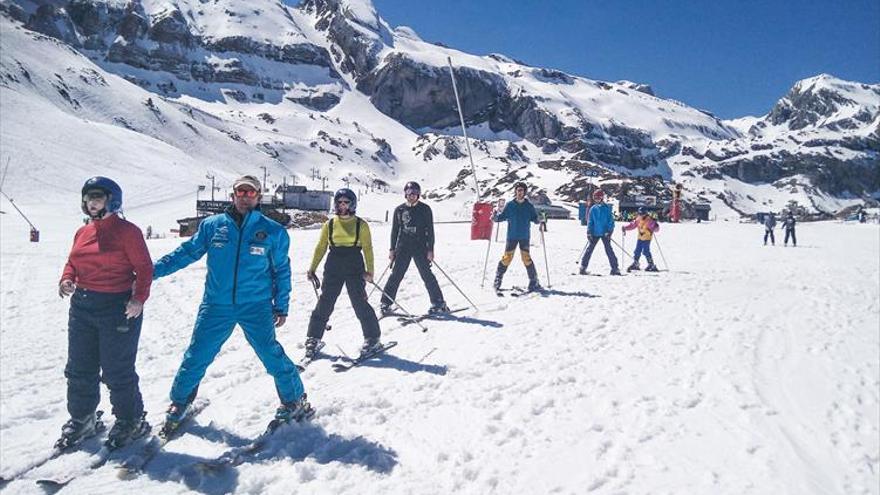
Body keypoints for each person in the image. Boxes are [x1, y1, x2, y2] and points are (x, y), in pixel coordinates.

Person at [153, 175, 310, 431]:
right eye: (241, 191)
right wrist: (152, 272)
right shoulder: (212, 226)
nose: (245, 196)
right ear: (233, 195)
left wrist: (281, 305)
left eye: (251, 192)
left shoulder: (273, 231)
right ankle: (180, 403)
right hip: (216, 305)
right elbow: (186, 253)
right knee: (197, 355)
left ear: (258, 197)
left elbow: (282, 270)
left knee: (270, 353)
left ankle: (294, 399)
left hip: (256, 305)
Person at [57, 177, 153, 450]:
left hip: (117, 308)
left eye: (98, 196)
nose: (92, 201)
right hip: (83, 306)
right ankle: (83, 418)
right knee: (79, 369)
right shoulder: (82, 232)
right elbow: (72, 262)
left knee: (116, 370)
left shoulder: (127, 231)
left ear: (112, 199)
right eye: (88, 197)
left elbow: (144, 268)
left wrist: (139, 299)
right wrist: (67, 279)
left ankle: (131, 419)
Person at [305, 188, 382, 359]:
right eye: (339, 202)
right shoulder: (330, 224)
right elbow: (321, 247)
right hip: (334, 263)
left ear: (352, 204)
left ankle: (372, 337)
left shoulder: (360, 225)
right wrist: (312, 268)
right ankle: (313, 337)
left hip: (354, 263)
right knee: (326, 301)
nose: (343, 205)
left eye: (346, 202)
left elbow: (368, 249)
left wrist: (370, 271)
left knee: (359, 301)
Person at [380, 181, 448, 316]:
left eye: (415, 194)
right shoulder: (399, 210)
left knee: (426, 274)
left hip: (420, 247)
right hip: (403, 247)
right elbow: (395, 231)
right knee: (396, 275)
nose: (412, 196)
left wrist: (430, 249)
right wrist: (392, 249)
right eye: (409, 193)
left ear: (418, 195)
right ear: (405, 194)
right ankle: (385, 303)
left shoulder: (425, 209)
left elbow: (430, 230)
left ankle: (438, 302)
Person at [492, 181, 543, 292]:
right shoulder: (510, 205)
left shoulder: (529, 206)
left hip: (524, 236)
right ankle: (498, 279)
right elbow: (501, 217)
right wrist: (495, 217)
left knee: (526, 258)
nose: (519, 192)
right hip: (512, 236)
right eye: (518, 190)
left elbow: (535, 218)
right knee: (507, 258)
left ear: (525, 192)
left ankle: (534, 281)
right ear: (515, 191)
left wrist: (540, 219)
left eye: (522, 190)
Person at [579, 189, 621, 275]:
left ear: (602, 198)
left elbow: (611, 221)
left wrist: (609, 231)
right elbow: (590, 222)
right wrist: (589, 232)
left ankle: (615, 268)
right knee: (589, 250)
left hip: (605, 233)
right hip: (594, 233)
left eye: (598, 198)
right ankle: (583, 267)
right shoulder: (593, 209)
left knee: (609, 250)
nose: (596, 200)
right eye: (595, 198)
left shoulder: (607, 209)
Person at [622, 206, 660, 272]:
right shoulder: (638, 219)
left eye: (642, 214)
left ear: (645, 213)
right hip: (640, 238)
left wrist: (655, 226)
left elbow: (656, 229)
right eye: (640, 214)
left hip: (647, 238)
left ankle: (651, 264)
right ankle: (636, 263)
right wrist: (625, 228)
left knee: (646, 251)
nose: (641, 215)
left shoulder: (649, 220)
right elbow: (633, 225)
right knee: (637, 251)